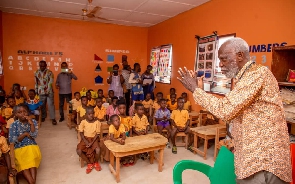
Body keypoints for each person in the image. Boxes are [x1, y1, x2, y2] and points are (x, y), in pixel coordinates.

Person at [177, 37, 291, 184]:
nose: (220, 64)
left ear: (240, 56)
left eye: (224, 59)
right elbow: (234, 110)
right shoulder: (243, 79)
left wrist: (195, 90)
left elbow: (226, 109)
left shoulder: (257, 74)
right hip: (250, 157)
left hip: (262, 161)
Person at [9, 104, 42, 184]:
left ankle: (32, 182)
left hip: (31, 146)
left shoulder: (33, 121)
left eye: (25, 111)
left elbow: (34, 135)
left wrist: (31, 124)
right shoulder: (14, 125)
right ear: (16, 114)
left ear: (28, 112)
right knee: (23, 162)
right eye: (20, 112)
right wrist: (25, 134)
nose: (23, 114)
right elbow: (12, 140)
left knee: (32, 160)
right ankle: (32, 182)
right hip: (19, 148)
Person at [76, 106, 101, 174]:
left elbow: (97, 134)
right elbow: (81, 132)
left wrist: (92, 142)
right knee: (78, 151)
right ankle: (89, 163)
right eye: (89, 114)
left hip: (94, 138)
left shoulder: (97, 122)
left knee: (98, 150)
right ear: (86, 114)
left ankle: (95, 162)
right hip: (85, 138)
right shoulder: (83, 122)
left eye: (92, 113)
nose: (91, 115)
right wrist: (86, 141)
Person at [34, 60, 57, 125]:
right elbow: (36, 82)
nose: (42, 67)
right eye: (41, 66)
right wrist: (36, 90)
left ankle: (53, 118)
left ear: (46, 65)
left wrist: (47, 90)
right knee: (42, 105)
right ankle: (43, 116)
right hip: (40, 91)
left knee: (50, 105)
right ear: (39, 65)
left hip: (49, 92)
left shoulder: (50, 72)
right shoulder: (36, 72)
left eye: (44, 66)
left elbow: (50, 82)